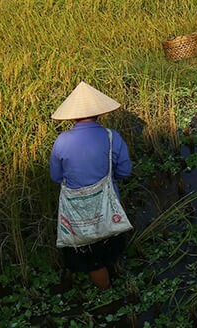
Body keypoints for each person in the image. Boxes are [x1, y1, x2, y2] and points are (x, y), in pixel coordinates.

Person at [49, 81, 132, 290]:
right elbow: (125, 170)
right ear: (99, 113)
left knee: (92, 258)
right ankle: (117, 285)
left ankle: (106, 294)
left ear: (73, 115)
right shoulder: (111, 136)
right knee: (110, 246)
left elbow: (56, 177)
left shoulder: (62, 140)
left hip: (77, 211)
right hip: (109, 204)